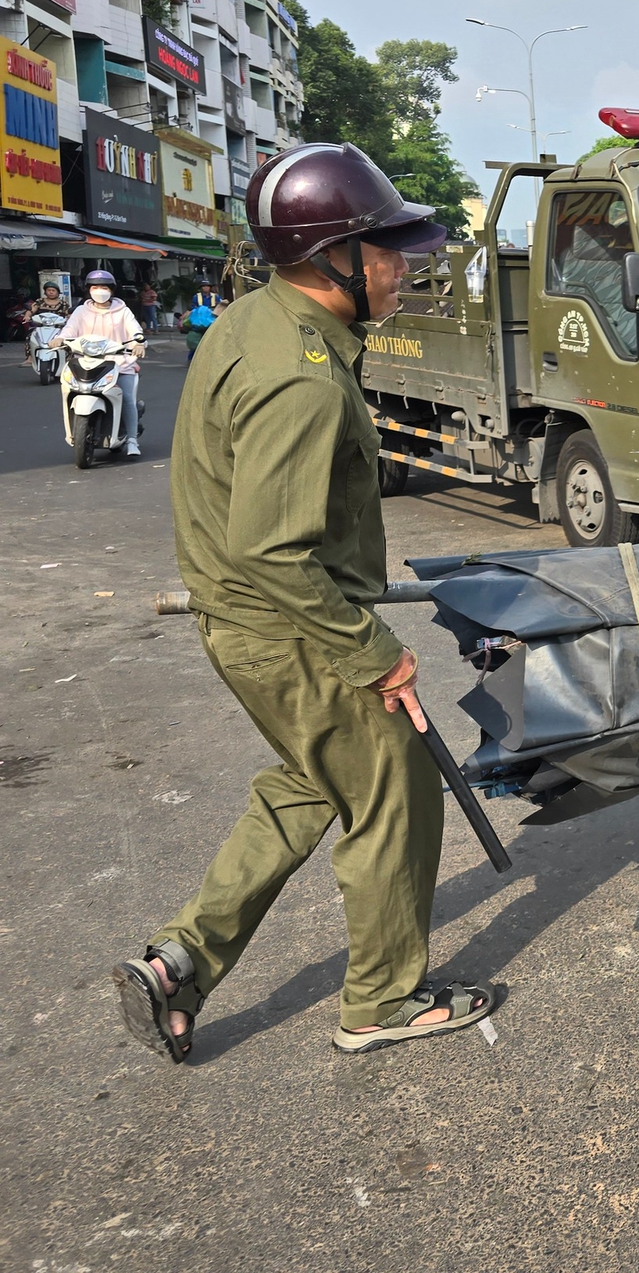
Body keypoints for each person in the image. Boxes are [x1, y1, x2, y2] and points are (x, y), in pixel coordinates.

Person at [111, 141, 492, 1063]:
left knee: (311, 781)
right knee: (397, 788)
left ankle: (178, 962)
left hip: (254, 622)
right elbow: (273, 550)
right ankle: (383, 1002)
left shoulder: (262, 320)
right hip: (292, 628)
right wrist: (376, 654)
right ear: (334, 258)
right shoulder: (301, 378)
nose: (404, 268)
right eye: (387, 250)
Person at [58, 271, 146, 457]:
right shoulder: (81, 311)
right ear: (88, 290)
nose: (99, 290)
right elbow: (69, 329)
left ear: (111, 290)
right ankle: (75, 433)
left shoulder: (122, 311)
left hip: (119, 363)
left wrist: (138, 343)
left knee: (127, 398)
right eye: (95, 287)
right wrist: (59, 339)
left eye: (104, 287)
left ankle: (132, 439)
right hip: (85, 362)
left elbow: (135, 331)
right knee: (70, 390)